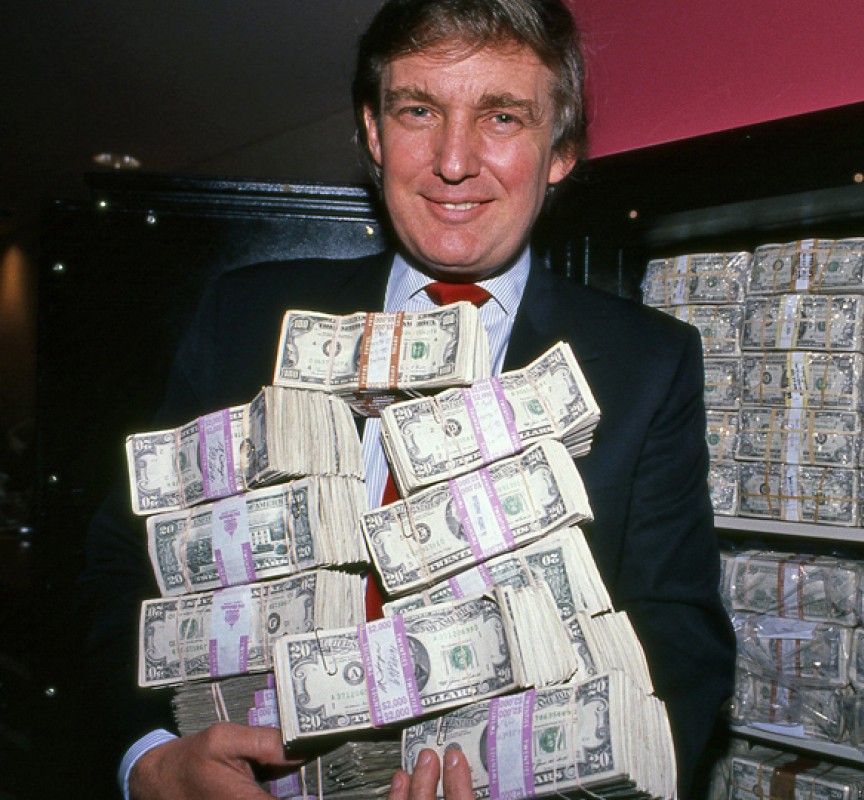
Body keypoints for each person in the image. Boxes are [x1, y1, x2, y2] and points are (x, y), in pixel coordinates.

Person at [78, 1, 737, 798]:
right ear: (373, 132)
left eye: (502, 116)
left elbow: (679, 637)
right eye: (419, 110)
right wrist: (147, 759)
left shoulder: (646, 362)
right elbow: (126, 558)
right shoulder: (246, 316)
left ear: (560, 150)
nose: (453, 161)